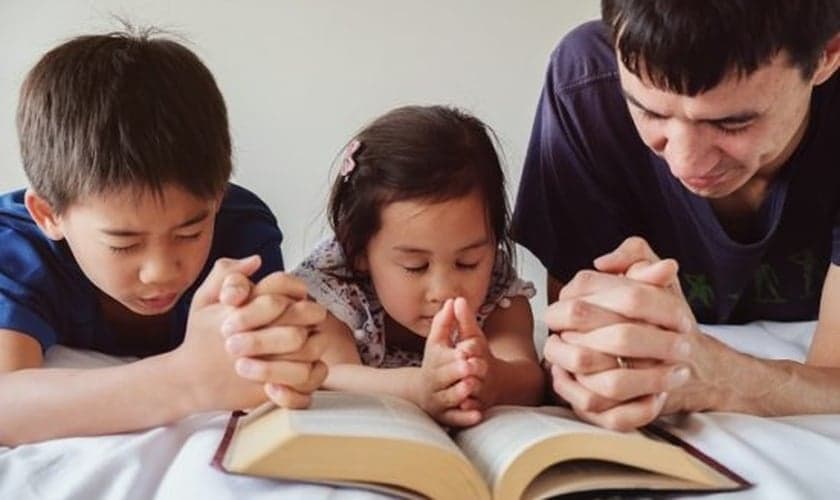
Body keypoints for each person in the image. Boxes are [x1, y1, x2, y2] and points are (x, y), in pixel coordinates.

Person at [512, 0, 840, 430]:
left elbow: (832, 379)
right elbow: (583, 349)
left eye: (732, 123)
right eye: (649, 111)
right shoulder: (587, 84)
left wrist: (720, 378)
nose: (685, 164)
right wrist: (594, 372)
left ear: (826, 54)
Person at [0, 28, 328, 446]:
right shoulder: (15, 248)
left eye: (191, 232)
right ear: (48, 215)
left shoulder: (241, 231)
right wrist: (184, 379)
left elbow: (263, 368)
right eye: (123, 243)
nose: (161, 272)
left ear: (217, 198)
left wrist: (281, 356)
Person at [294, 105, 544, 427]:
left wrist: (493, 377)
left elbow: (528, 375)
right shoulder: (333, 290)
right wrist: (419, 388)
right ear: (358, 251)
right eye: (416, 266)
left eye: (467, 262)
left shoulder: (498, 293)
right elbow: (330, 375)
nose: (444, 290)